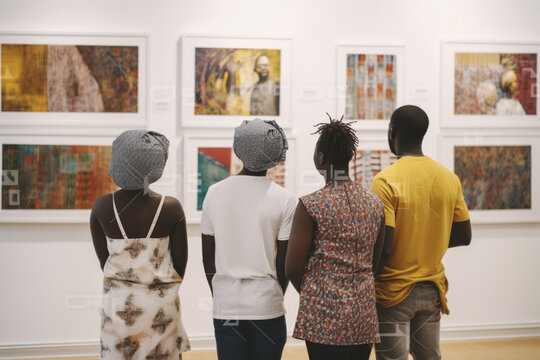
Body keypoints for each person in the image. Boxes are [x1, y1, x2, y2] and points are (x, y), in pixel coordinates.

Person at [370, 105, 472, 360]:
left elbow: (388, 246)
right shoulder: (449, 178)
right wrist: (429, 240)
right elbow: (464, 236)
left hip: (392, 291)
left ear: (392, 132)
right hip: (431, 286)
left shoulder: (385, 180)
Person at [285, 114, 385, 360]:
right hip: (363, 313)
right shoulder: (375, 203)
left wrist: (317, 293)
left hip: (323, 316)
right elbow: (377, 262)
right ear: (350, 157)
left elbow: (292, 268)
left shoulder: (311, 205)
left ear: (320, 158)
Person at [201, 119, 296, 360]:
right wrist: (274, 294)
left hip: (227, 306)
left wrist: (222, 293)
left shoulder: (214, 193)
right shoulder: (284, 198)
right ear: (275, 157)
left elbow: (208, 258)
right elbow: (284, 264)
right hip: (267, 305)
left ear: (238, 149)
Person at [90, 130, 190, 359]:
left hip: (117, 308)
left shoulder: (102, 206)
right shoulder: (171, 207)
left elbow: (104, 261)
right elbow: (180, 264)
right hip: (161, 308)